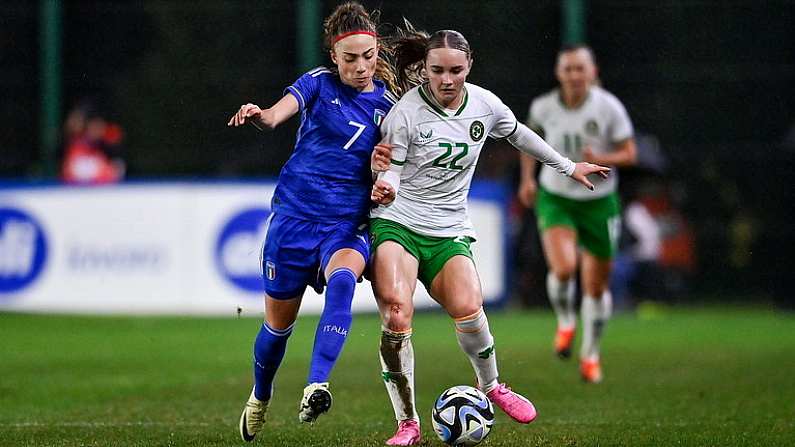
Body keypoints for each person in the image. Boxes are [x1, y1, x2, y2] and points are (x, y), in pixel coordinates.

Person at [369, 29, 610, 446]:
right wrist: (386, 183)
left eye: (456, 70)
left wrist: (568, 167)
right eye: (437, 70)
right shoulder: (405, 114)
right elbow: (389, 168)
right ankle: (407, 423)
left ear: (469, 66)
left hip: (449, 229)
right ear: (424, 70)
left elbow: (519, 135)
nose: (447, 79)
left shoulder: (485, 104)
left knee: (469, 306)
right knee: (396, 313)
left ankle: (492, 386)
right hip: (399, 222)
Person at [226, 2, 399, 442]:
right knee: (277, 328)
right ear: (334, 58)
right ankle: (260, 395)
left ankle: (316, 384)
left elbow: (395, 166)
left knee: (343, 281)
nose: (361, 67)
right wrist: (260, 115)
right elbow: (278, 113)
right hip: (295, 220)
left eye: (368, 56)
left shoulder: (391, 107)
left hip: (346, 223)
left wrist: (384, 181)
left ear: (377, 52)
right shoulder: (318, 85)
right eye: (350, 59)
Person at [517, 44, 637, 383]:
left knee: (596, 287)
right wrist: (527, 180)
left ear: (593, 71)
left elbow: (630, 153)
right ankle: (567, 320)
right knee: (565, 267)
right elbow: (527, 140)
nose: (574, 75)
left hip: (599, 202)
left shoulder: (609, 107)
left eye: (580, 68)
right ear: (558, 73)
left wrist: (603, 157)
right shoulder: (543, 107)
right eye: (567, 68)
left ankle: (591, 354)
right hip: (557, 197)